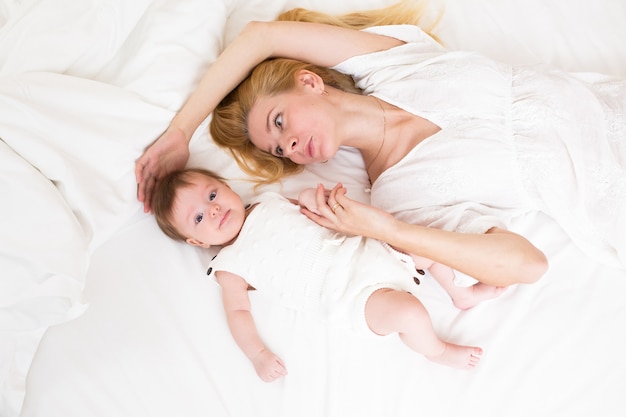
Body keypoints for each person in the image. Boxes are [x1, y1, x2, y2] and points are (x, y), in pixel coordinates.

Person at [141, 0, 626, 286]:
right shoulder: (398, 198)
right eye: (277, 149)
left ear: (310, 82)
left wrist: (181, 131)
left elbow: (260, 36)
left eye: (280, 121)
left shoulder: (394, 62)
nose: (289, 146)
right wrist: (389, 229)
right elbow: (526, 264)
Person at [151, 167, 490, 380]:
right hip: (349, 297)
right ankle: (437, 351)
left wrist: (312, 200)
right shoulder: (230, 265)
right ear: (195, 241)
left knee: (422, 240)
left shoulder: (269, 201)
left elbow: (314, 211)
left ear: (225, 185)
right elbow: (238, 312)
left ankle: (460, 293)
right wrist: (257, 354)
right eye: (198, 218)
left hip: (368, 251)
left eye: (212, 194)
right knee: (410, 313)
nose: (212, 209)